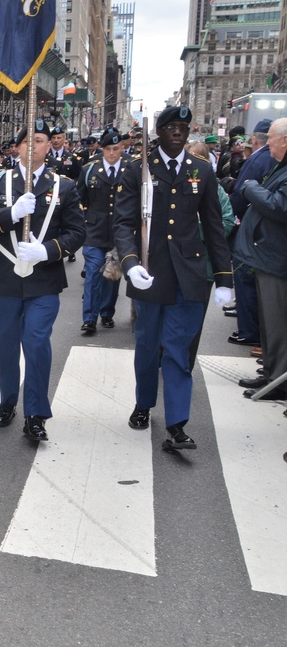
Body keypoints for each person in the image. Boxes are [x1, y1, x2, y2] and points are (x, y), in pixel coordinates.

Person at [113, 106, 233, 451]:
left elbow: (213, 226)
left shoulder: (203, 171)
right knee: (149, 346)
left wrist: (224, 278)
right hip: (150, 272)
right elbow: (123, 223)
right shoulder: (138, 170)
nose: (178, 132)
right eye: (171, 127)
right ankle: (143, 403)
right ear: (159, 133)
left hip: (190, 274)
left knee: (178, 350)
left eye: (183, 127)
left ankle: (177, 423)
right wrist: (131, 262)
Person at [0, 119, 85, 441]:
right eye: (26, 141)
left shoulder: (64, 186)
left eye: (39, 140)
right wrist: (12, 214)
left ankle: (35, 413)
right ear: (17, 148)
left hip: (43, 280)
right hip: (4, 279)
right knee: (5, 346)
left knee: (35, 342)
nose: (32, 146)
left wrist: (47, 251)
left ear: (49, 147)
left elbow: (77, 233)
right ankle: (8, 401)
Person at [234, 117, 287, 401]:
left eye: (272, 140)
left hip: (277, 258)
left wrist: (250, 187)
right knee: (268, 323)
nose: (267, 145)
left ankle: (278, 380)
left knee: (277, 324)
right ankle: (271, 373)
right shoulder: (280, 166)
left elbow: (279, 206)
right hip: (268, 256)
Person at [227, 119, 275, 349]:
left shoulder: (258, 158)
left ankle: (249, 331)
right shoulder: (270, 159)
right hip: (264, 227)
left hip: (253, 226)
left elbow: (241, 192)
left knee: (245, 276)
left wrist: (234, 220)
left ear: (255, 140)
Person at [76, 127, 128, 335]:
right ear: (102, 149)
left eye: (116, 148)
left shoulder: (130, 169)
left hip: (119, 231)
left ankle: (107, 313)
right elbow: (80, 200)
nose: (112, 153)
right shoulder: (89, 169)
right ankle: (89, 318)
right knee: (93, 273)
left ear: (122, 148)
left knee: (112, 275)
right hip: (94, 231)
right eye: (108, 149)